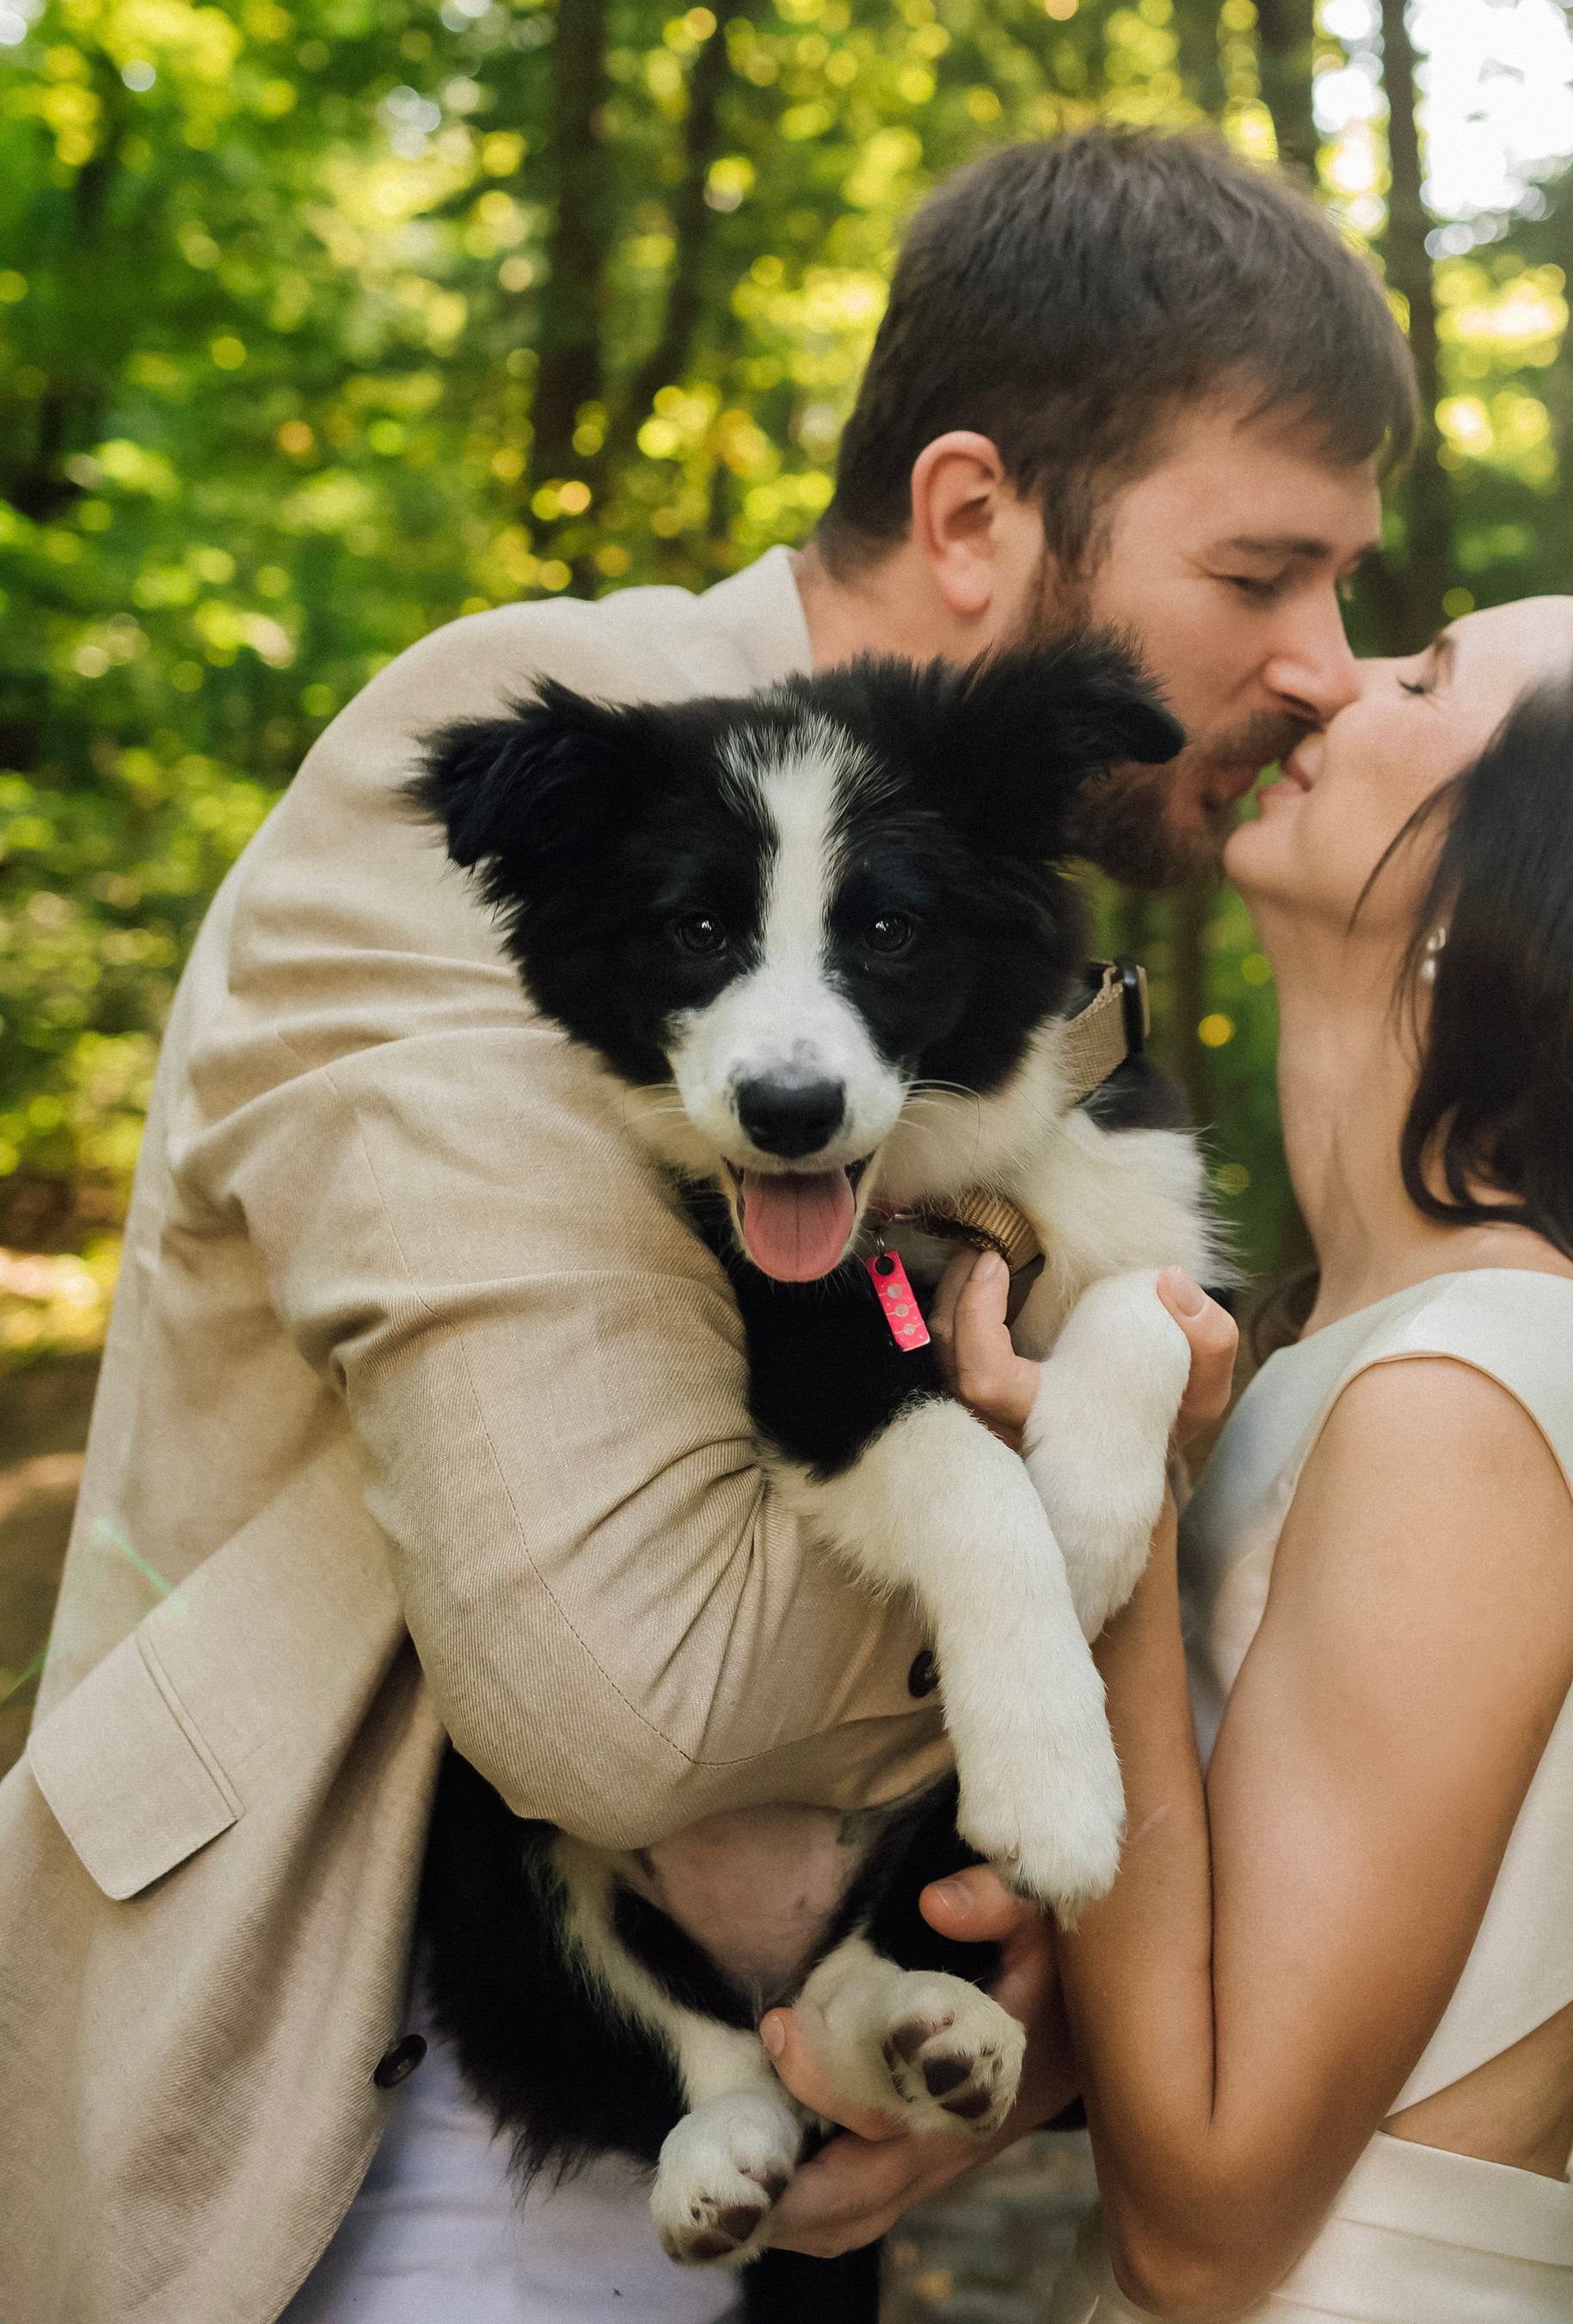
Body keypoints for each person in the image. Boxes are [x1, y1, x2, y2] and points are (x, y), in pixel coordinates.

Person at [0, 126, 1414, 2324]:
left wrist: (1025, 1952)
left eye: (1344, 588)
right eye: (1260, 574)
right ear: (972, 515)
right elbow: (624, 1702)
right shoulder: (545, 755)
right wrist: (1057, 1607)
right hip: (365, 2113)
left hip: (779, 2138)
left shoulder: (965, 889)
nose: (1324, 664)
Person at [798, 579, 1573, 2321]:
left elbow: (1208, 2226)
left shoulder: (1472, 1396)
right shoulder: (1384, 1350)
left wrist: (1118, 1505)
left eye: (1429, 672)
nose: (1333, 676)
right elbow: (1247, 1985)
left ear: (1526, 869)